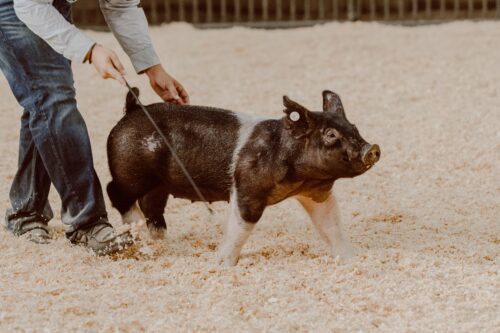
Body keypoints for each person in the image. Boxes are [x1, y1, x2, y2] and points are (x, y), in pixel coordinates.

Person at [0, 0, 189, 254]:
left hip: (51, 4)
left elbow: (121, 6)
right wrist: (90, 50)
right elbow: (30, 5)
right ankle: (87, 223)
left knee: (43, 100)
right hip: (17, 5)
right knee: (53, 97)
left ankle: (26, 212)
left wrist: (152, 68)